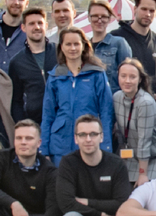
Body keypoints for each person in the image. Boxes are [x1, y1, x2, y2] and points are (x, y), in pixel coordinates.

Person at [41, 26, 114, 165]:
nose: (72, 48)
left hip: (89, 141)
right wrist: (44, 149)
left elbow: (106, 112)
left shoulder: (96, 74)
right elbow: (48, 114)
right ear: (61, 47)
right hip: (60, 144)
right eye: (68, 44)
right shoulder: (55, 76)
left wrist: (105, 146)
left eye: (76, 44)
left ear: (84, 46)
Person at [114, 58, 156, 185]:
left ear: (140, 79)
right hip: (130, 156)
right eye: (123, 76)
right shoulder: (116, 97)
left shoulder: (145, 102)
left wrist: (142, 174)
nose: (127, 81)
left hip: (153, 157)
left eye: (132, 77)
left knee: (143, 189)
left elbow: (144, 141)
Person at [7, 6, 58, 125]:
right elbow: (16, 101)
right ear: (23, 27)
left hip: (62, 120)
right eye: (31, 24)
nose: (37, 27)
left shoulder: (59, 53)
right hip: (35, 123)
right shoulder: (17, 62)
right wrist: (22, 125)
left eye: (40, 23)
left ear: (46, 25)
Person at [113, 0, 156, 90]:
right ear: (135, 9)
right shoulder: (116, 38)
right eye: (144, 9)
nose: (147, 14)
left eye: (151, 11)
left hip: (150, 98)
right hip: (123, 98)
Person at [86, 0, 134, 91]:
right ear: (89, 18)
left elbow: (128, 76)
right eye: (95, 16)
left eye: (104, 16)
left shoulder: (119, 44)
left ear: (109, 19)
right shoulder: (84, 47)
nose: (99, 20)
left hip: (112, 98)